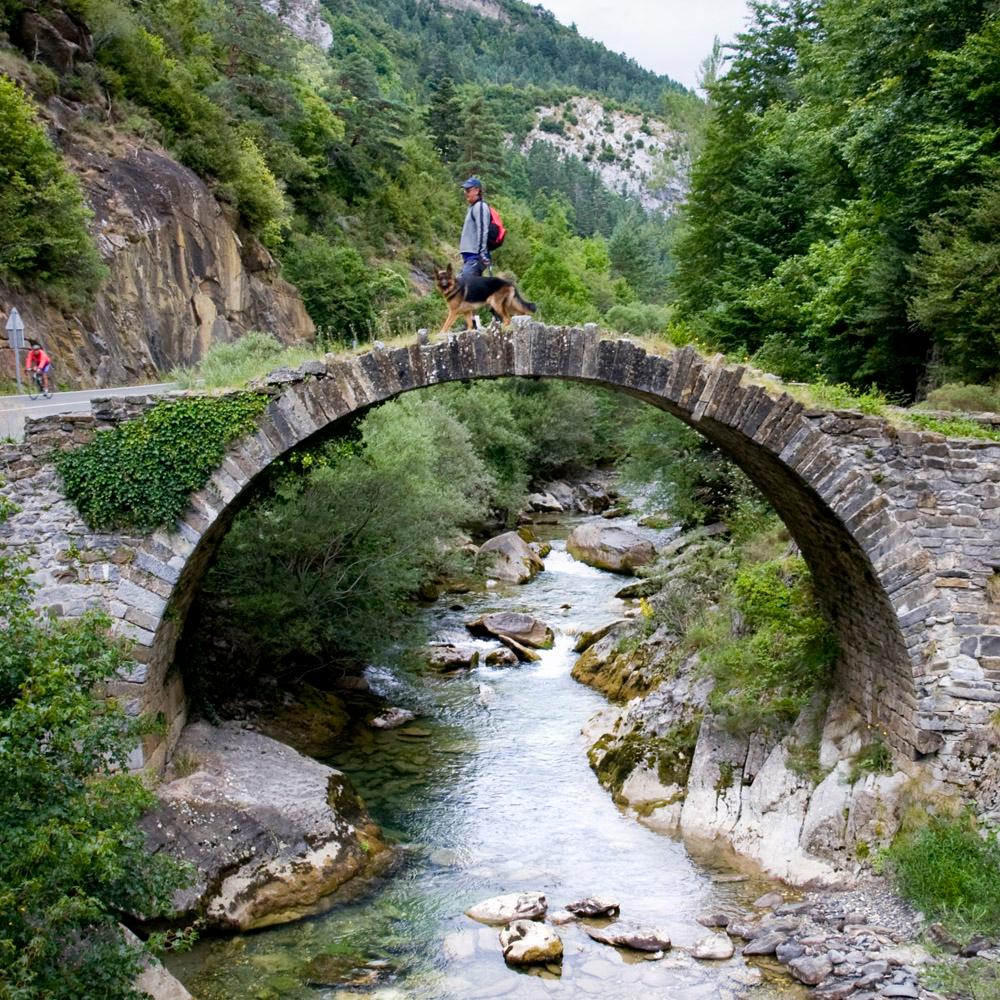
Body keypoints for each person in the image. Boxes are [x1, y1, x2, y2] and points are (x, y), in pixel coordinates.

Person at [459, 177, 492, 281]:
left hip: (475, 257)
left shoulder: (480, 207)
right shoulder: (473, 207)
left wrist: (481, 253)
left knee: (464, 287)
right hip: (470, 257)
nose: (465, 193)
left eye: (468, 190)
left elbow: (482, 230)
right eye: (465, 190)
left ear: (477, 190)